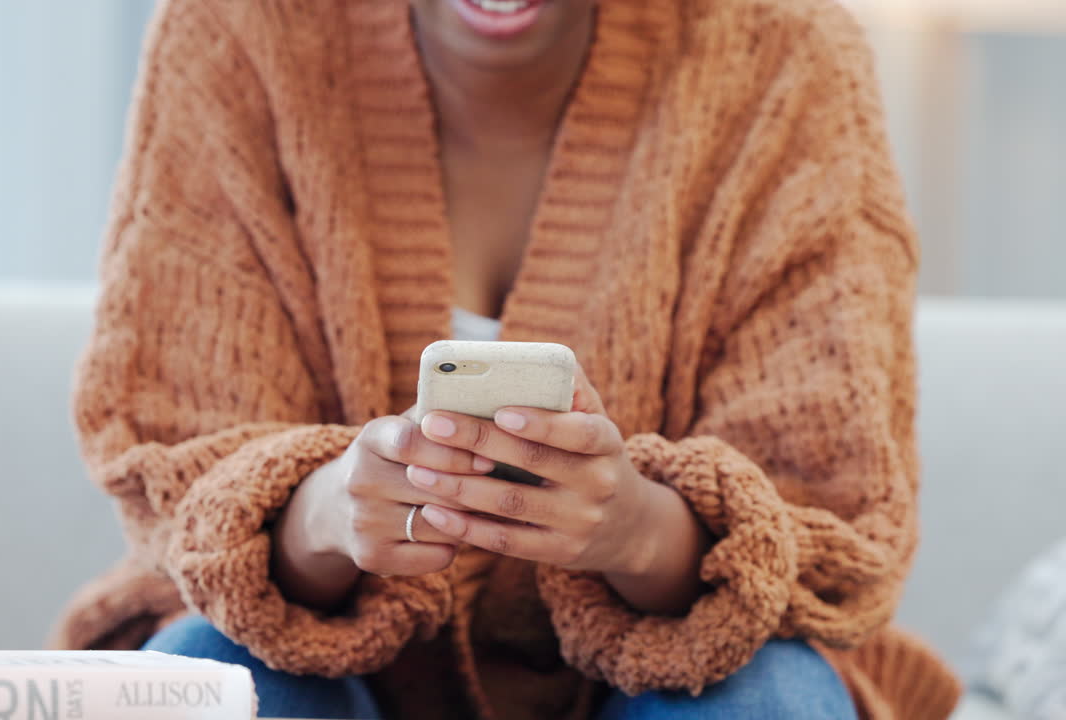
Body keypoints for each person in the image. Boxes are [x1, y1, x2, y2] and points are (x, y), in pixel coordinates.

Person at [50, 0, 963, 717]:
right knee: (207, 680)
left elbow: (836, 506)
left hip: (673, 678)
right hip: (312, 658)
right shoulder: (236, 33)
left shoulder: (789, 57)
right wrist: (327, 515)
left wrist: (639, 530)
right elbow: (174, 463)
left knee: (766, 698)